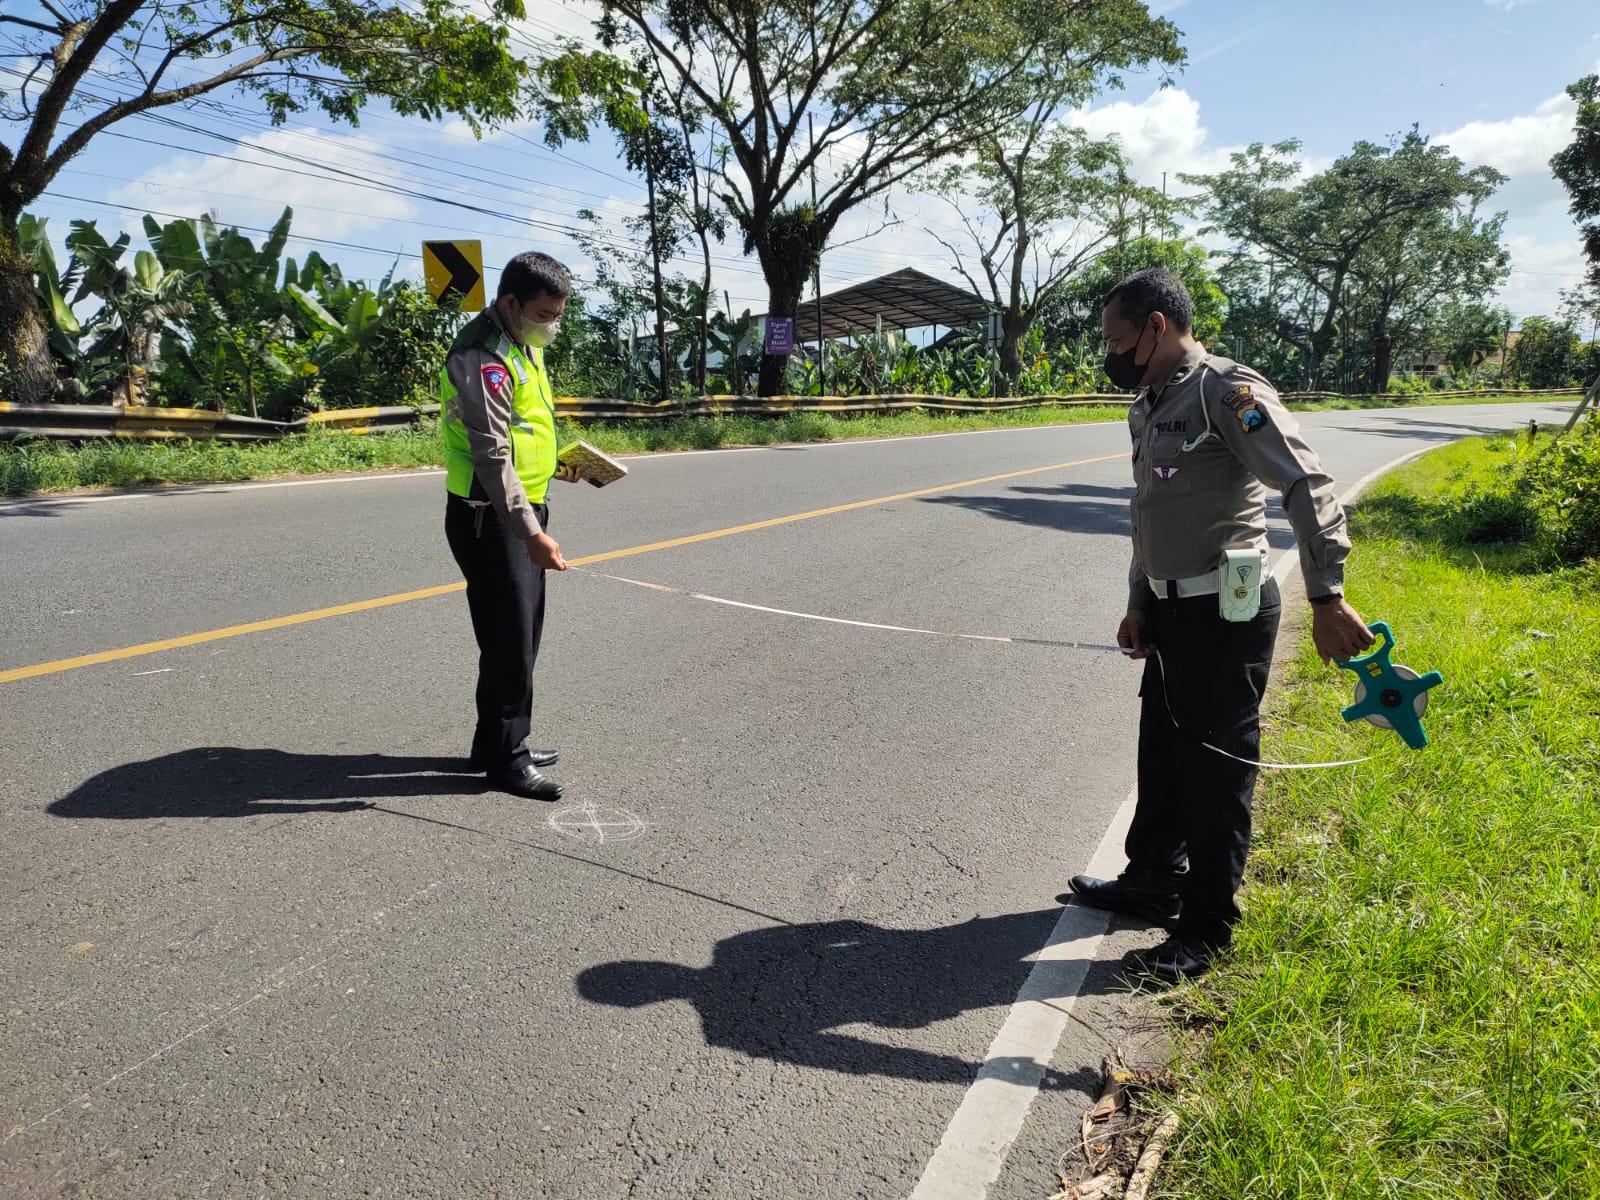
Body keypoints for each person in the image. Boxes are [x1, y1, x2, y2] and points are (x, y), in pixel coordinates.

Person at [1060, 268, 1376, 981]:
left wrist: (1327, 596)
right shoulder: (1149, 404)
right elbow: (1150, 511)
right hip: (1170, 608)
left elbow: (1304, 481)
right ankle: (1153, 880)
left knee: (1214, 771)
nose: (1110, 354)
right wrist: (1140, 600)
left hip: (1225, 612)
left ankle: (1206, 930)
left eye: (1116, 340)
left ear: (1156, 327)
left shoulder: (1225, 391)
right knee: (1163, 753)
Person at [441, 251, 580, 802]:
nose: (552, 325)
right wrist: (530, 532)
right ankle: (507, 761)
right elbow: (492, 453)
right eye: (544, 314)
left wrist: (559, 466)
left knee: (515, 637)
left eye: (558, 315)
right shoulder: (483, 356)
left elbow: (526, 428)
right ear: (510, 303)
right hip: (491, 517)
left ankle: (494, 743)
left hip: (520, 507)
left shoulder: (522, 342)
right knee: (511, 643)